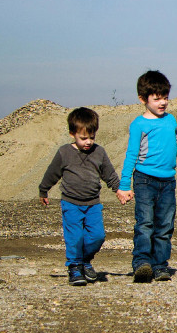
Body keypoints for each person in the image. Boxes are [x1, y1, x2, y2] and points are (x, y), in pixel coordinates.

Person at [117, 70, 177, 282]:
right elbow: (131, 156)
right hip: (144, 180)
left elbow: (176, 144)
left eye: (165, 97)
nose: (162, 102)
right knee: (145, 224)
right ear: (143, 99)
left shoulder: (171, 120)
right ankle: (142, 263)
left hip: (168, 181)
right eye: (157, 98)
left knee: (165, 225)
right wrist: (124, 185)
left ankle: (160, 265)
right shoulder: (139, 125)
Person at [38, 107, 120, 286]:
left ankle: (85, 260)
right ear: (72, 134)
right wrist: (43, 190)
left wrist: (119, 190)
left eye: (92, 137)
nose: (88, 142)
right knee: (75, 237)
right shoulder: (64, 153)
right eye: (83, 138)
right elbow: (52, 173)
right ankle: (75, 266)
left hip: (93, 204)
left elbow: (109, 174)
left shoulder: (99, 152)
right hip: (71, 203)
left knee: (97, 236)